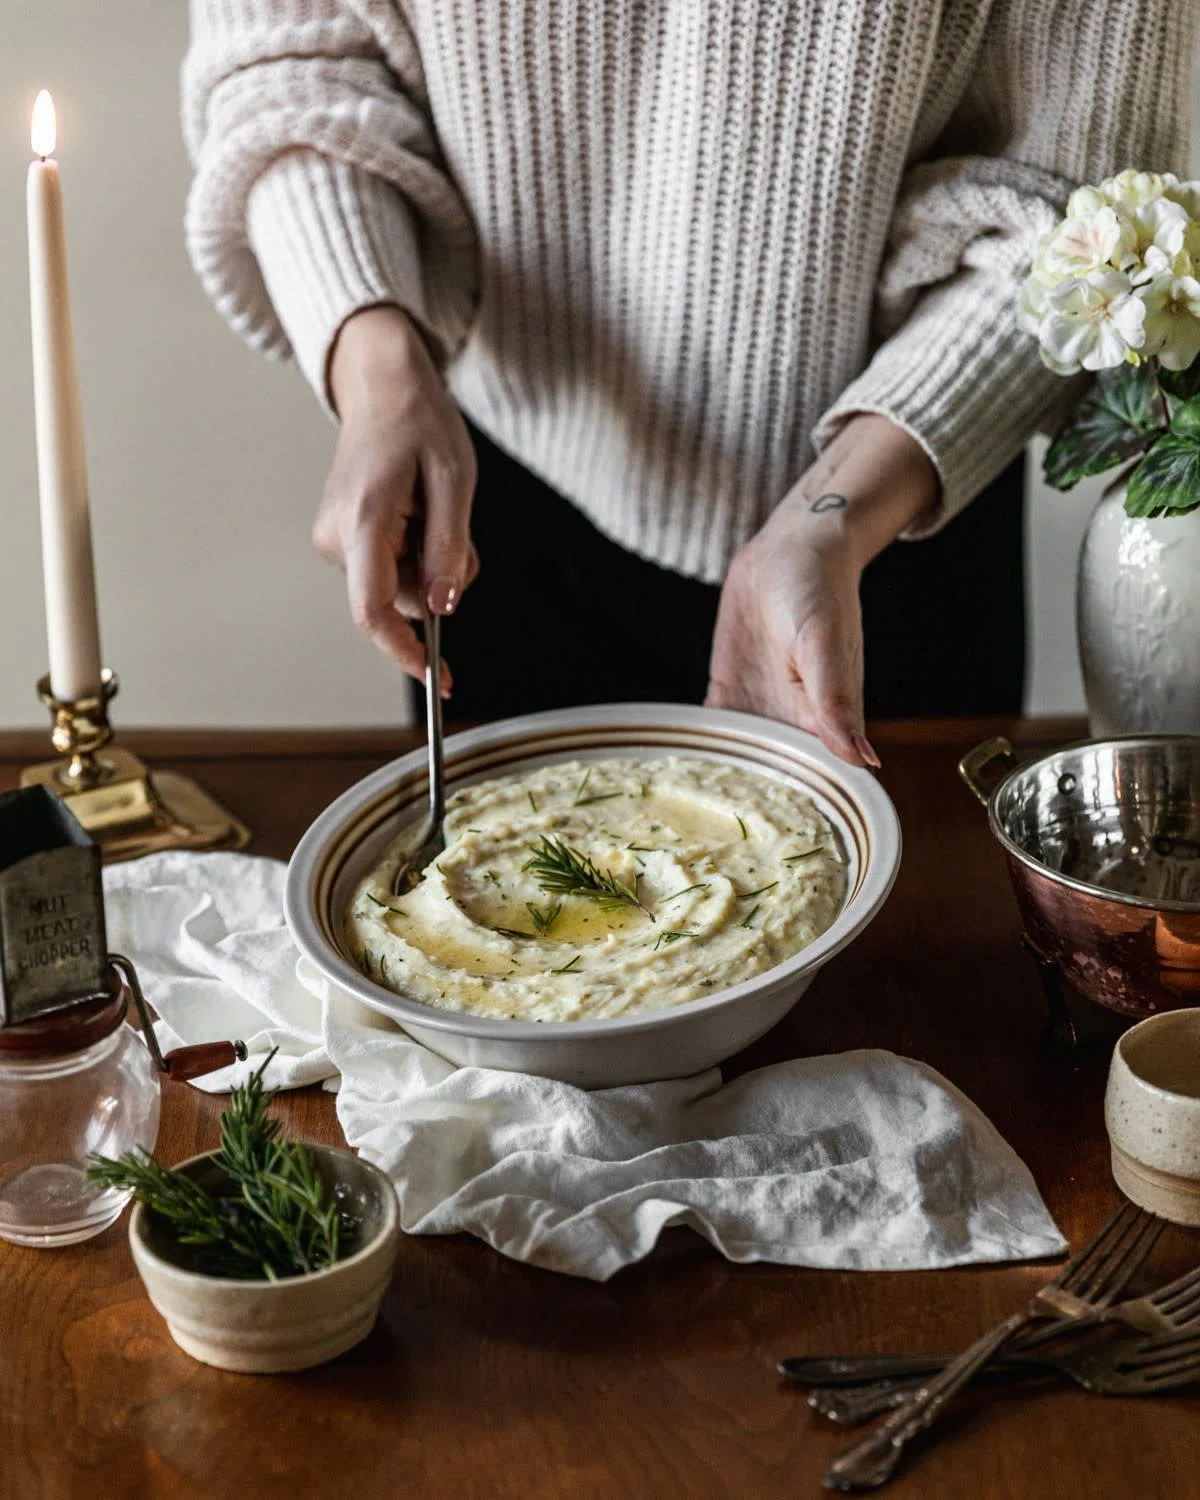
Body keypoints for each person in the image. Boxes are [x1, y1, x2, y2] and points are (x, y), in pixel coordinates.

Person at [183, 1, 1193, 765]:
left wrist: (832, 521)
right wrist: (376, 366)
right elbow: (290, 56)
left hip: (887, 516)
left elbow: (1077, 207)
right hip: (485, 512)